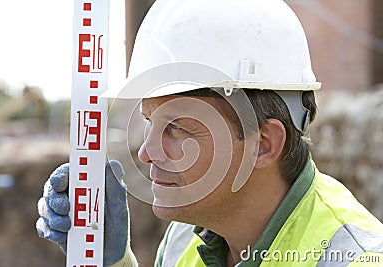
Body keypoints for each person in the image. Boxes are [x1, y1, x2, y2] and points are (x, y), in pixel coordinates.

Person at [36, 0, 383, 266]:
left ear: (262, 145)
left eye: (177, 128)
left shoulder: (353, 256)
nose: (146, 152)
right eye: (149, 122)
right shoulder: (184, 237)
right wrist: (112, 261)